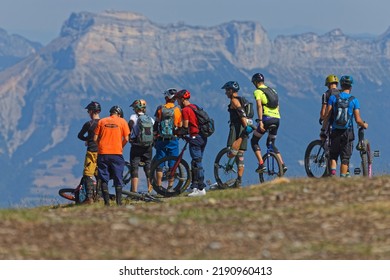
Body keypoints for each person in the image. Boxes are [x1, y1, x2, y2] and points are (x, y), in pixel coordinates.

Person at [321, 75, 368, 177]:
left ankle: (333, 174)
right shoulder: (354, 100)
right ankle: (342, 178)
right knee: (345, 158)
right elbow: (358, 120)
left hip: (335, 131)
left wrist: (323, 129)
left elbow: (327, 116)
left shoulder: (333, 98)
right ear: (351, 87)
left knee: (333, 155)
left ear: (341, 86)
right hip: (348, 132)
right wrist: (364, 125)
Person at [250, 73, 287, 174]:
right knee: (271, 144)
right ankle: (282, 165)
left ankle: (261, 164)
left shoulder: (258, 91)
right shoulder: (273, 90)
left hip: (266, 119)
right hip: (276, 119)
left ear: (255, 82)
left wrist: (260, 121)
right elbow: (277, 106)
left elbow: (259, 106)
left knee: (254, 141)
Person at [94, 105, 130, 206]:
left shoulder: (102, 121)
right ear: (119, 114)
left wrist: (100, 147)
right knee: (118, 177)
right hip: (116, 153)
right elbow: (127, 138)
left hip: (103, 153)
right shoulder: (122, 121)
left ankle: (107, 204)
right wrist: (120, 147)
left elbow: (95, 138)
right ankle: (119, 203)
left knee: (103, 177)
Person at [175, 89, 208, 197]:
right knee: (195, 162)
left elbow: (185, 126)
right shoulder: (195, 107)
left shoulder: (185, 110)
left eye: (178, 100)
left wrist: (177, 132)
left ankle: (201, 188)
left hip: (195, 137)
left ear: (182, 99)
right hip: (203, 137)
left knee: (197, 162)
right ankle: (194, 187)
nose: (177, 102)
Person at [221, 81, 254, 188]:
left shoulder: (234, 101)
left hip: (236, 128)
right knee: (240, 156)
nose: (225, 93)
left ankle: (236, 181)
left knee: (231, 152)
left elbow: (241, 113)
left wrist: (245, 126)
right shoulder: (242, 99)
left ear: (231, 91)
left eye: (226, 90)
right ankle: (238, 181)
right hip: (244, 128)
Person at [153, 88, 183, 189]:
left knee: (160, 164)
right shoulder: (177, 110)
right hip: (173, 139)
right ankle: (170, 186)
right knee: (172, 164)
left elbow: (156, 124)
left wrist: (155, 136)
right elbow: (180, 125)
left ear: (166, 97)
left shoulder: (160, 108)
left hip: (161, 140)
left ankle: (159, 186)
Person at [128, 99, 154, 193]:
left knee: (134, 167)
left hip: (136, 145)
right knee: (148, 167)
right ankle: (150, 190)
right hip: (148, 146)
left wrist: (128, 137)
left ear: (136, 108)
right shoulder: (150, 118)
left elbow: (130, 125)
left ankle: (134, 192)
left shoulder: (133, 117)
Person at [77, 101, 101, 203]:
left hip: (91, 151)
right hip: (102, 151)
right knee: (99, 175)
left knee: (87, 174)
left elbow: (80, 136)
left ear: (91, 111)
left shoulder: (89, 124)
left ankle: (89, 197)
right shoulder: (103, 122)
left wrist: (87, 139)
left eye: (88, 111)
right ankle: (99, 196)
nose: (88, 113)